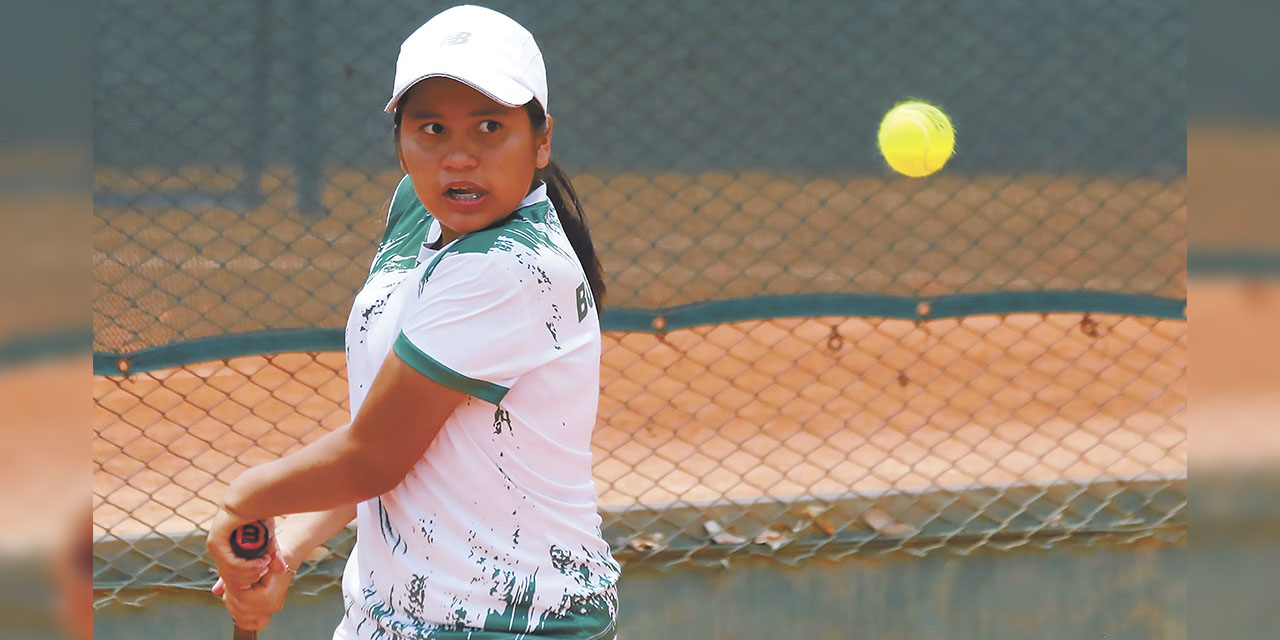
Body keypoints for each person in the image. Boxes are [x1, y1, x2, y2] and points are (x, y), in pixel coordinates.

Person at [205, 5, 619, 638]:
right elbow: (401, 432)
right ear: (401, 140)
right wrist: (287, 545)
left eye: (489, 127)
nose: (458, 158)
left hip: (514, 624)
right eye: (431, 129)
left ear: (541, 140)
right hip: (389, 617)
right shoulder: (415, 215)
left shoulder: (510, 266)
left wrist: (246, 498)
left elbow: (373, 458)